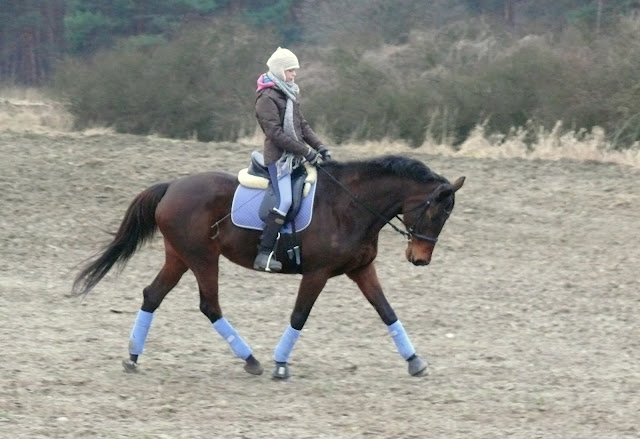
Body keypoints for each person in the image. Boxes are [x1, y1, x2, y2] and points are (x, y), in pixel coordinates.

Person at [253, 46, 332, 272]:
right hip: (278, 160)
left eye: (295, 70)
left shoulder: (288, 93)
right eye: (290, 70)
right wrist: (306, 152)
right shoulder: (266, 98)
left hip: (294, 159)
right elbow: (275, 134)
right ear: (279, 71)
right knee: (285, 201)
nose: (294, 74)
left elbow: (302, 126)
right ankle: (264, 254)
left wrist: (320, 147)